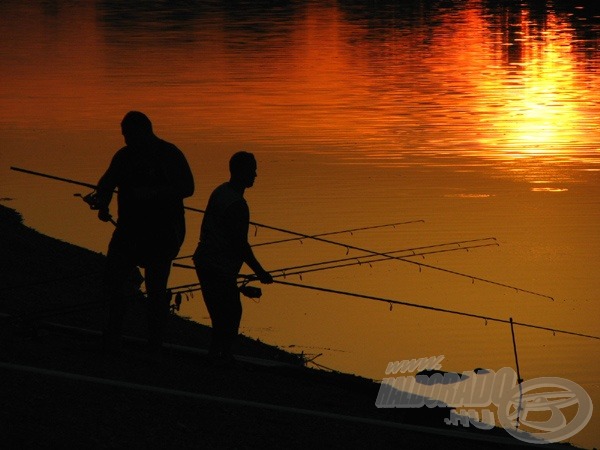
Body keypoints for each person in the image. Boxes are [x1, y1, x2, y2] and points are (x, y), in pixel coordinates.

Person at [93, 111, 194, 353]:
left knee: (156, 289)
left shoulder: (169, 154)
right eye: (124, 135)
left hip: (162, 233)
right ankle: (113, 336)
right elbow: (106, 183)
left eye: (129, 134)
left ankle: (154, 345)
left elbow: (188, 188)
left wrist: (153, 193)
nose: (126, 140)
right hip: (128, 231)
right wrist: (102, 203)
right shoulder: (124, 156)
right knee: (113, 281)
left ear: (145, 131)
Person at [193, 151, 273, 365]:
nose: (256, 174)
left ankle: (216, 354)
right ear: (241, 172)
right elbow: (240, 245)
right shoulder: (237, 204)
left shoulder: (221, 190)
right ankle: (223, 356)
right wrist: (260, 272)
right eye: (252, 170)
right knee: (230, 312)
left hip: (205, 260)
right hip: (217, 265)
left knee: (220, 313)